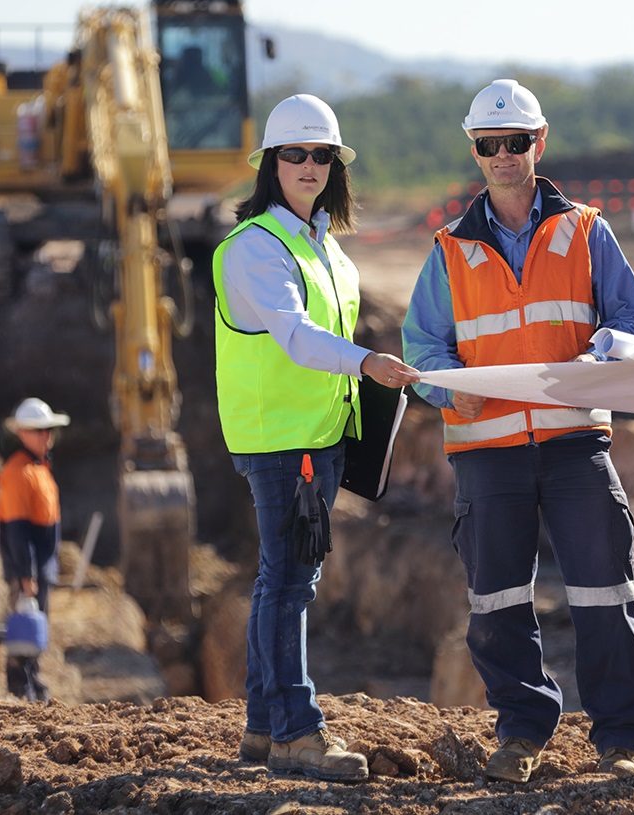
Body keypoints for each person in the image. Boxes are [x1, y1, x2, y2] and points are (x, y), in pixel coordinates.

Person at [402, 79, 634, 782]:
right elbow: (423, 347)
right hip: (487, 452)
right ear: (475, 151)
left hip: (575, 443)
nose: (505, 154)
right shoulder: (449, 250)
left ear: (538, 143)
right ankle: (521, 730)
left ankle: (620, 739)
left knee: (606, 587)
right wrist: (449, 394)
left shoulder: (584, 229)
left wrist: (598, 353)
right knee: (498, 599)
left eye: (517, 141)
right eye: (491, 144)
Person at [212, 94, 420, 783]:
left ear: (335, 165)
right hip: (281, 439)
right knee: (291, 581)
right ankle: (297, 731)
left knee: (282, 576)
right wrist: (365, 362)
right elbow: (297, 337)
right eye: (295, 153)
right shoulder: (253, 248)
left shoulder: (321, 244)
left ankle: (264, 726)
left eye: (320, 154)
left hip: (320, 434)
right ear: (271, 163)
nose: (308, 165)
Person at [0, 396, 69, 702]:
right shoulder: (18, 473)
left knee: (35, 626)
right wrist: (26, 575)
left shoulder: (39, 467)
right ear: (23, 433)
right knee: (24, 628)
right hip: (28, 568)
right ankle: (20, 688)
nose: (46, 437)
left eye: (48, 431)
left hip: (41, 565)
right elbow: (17, 530)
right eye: (40, 431)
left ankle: (33, 681)